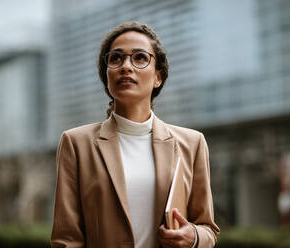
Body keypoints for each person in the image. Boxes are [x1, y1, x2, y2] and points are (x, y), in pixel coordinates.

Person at [51, 21, 219, 248]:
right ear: (106, 75)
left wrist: (194, 237)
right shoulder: (76, 144)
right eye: (116, 58)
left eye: (140, 58)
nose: (125, 66)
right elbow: (66, 240)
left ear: (158, 76)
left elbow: (207, 228)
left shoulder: (192, 143)